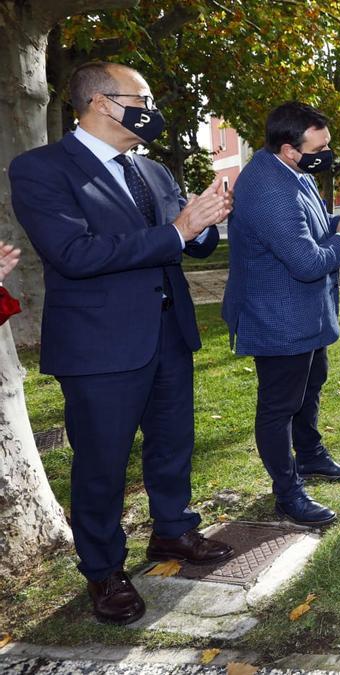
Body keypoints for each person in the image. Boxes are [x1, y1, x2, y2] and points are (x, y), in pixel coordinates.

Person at [9, 61, 234, 625]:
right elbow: (75, 254)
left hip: (167, 332)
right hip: (98, 345)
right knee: (102, 464)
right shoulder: (41, 169)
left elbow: (190, 243)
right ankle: (104, 570)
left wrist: (202, 223)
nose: (151, 109)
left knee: (172, 442)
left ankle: (173, 531)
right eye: (143, 98)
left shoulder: (152, 170)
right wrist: (177, 231)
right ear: (102, 103)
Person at [222, 102, 340, 527]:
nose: (328, 152)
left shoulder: (296, 174)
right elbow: (307, 261)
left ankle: (310, 456)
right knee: (279, 406)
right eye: (321, 145)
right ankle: (287, 491)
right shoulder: (267, 187)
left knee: (310, 388)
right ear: (290, 148)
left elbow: (307, 228)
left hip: (306, 314)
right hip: (277, 319)